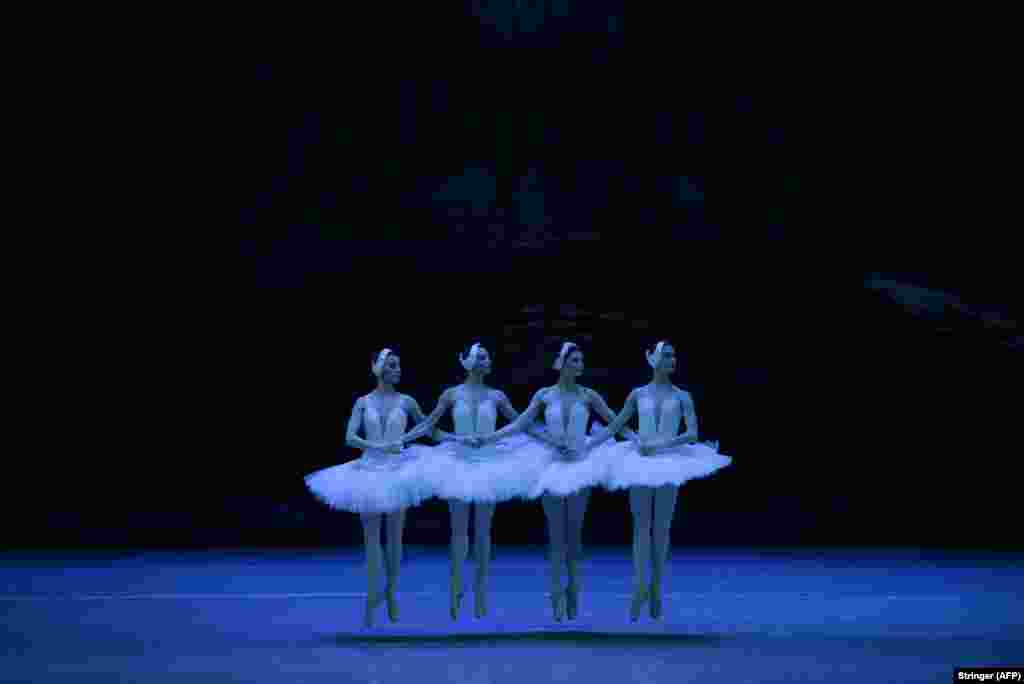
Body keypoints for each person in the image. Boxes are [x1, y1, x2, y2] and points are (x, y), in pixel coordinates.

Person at [481, 341, 637, 621]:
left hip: (580, 464)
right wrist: (490, 438)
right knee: (555, 534)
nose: (581, 365)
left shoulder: (589, 395)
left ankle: (573, 589)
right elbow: (521, 424)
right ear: (563, 364)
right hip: (550, 465)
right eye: (575, 360)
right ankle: (555, 593)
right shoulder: (544, 395)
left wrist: (597, 444)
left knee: (574, 534)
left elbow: (615, 422)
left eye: (581, 360)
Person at [402, 342, 560, 620]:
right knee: (459, 532)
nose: (488, 361)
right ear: (468, 362)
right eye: (483, 356)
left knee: (483, 532)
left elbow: (522, 423)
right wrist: (401, 440)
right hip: (458, 462)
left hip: (489, 464)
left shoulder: (497, 396)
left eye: (489, 356)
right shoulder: (451, 394)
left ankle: (481, 592)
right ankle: (455, 590)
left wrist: (551, 440)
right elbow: (431, 427)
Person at [589, 341, 731, 621]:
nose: (671, 359)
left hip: (668, 461)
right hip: (639, 461)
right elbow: (617, 425)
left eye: (673, 355)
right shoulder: (637, 394)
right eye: (666, 355)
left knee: (662, 528)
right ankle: (639, 587)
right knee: (641, 528)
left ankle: (655, 589)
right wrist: (590, 445)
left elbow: (692, 432)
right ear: (653, 360)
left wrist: (662, 445)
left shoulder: (683, 396)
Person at [304, 348, 436, 628]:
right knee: (372, 540)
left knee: (395, 537)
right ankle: (371, 596)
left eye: (399, 365)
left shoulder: (407, 400)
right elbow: (350, 436)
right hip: (368, 470)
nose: (398, 370)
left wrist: (405, 439)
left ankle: (390, 593)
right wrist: (378, 446)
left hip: (399, 470)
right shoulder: (363, 402)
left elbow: (427, 424)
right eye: (392, 365)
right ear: (378, 369)